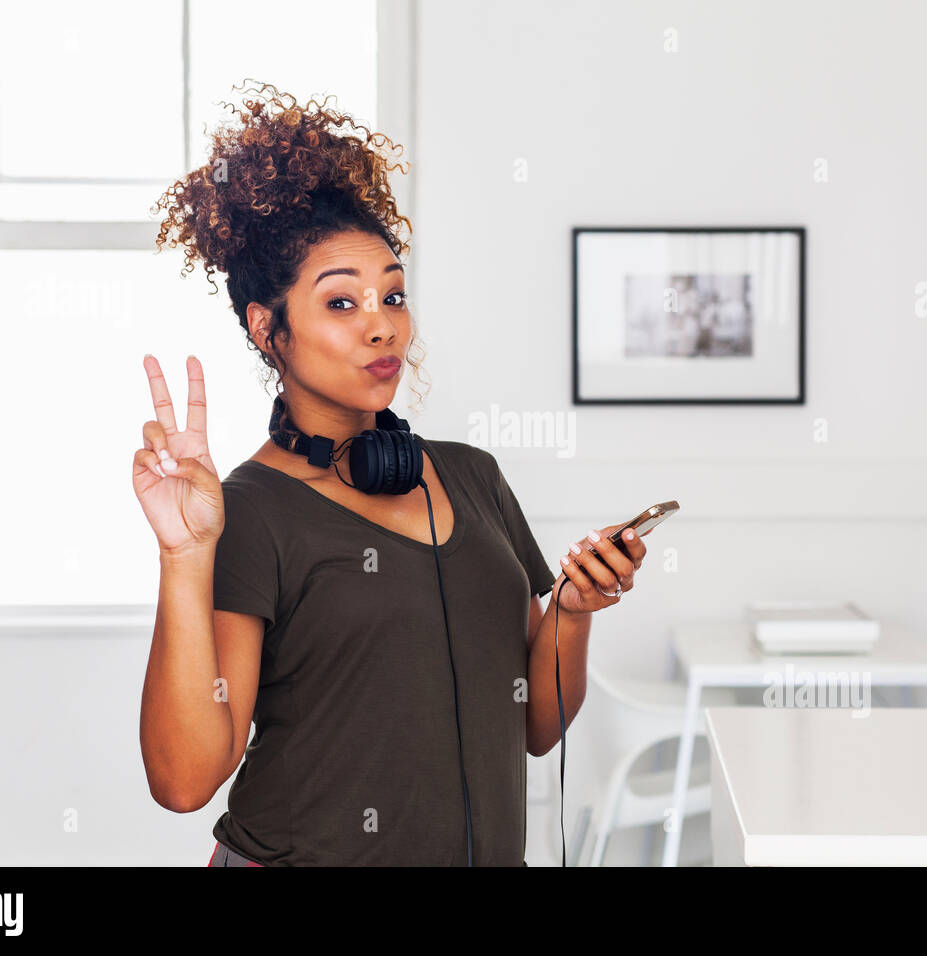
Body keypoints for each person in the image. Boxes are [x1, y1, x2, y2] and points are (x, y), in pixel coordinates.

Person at [134, 81, 650, 866]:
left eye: (393, 295)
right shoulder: (245, 513)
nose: (382, 323)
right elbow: (183, 780)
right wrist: (183, 554)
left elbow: (536, 727)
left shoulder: (472, 478)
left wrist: (573, 611)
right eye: (341, 303)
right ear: (268, 329)